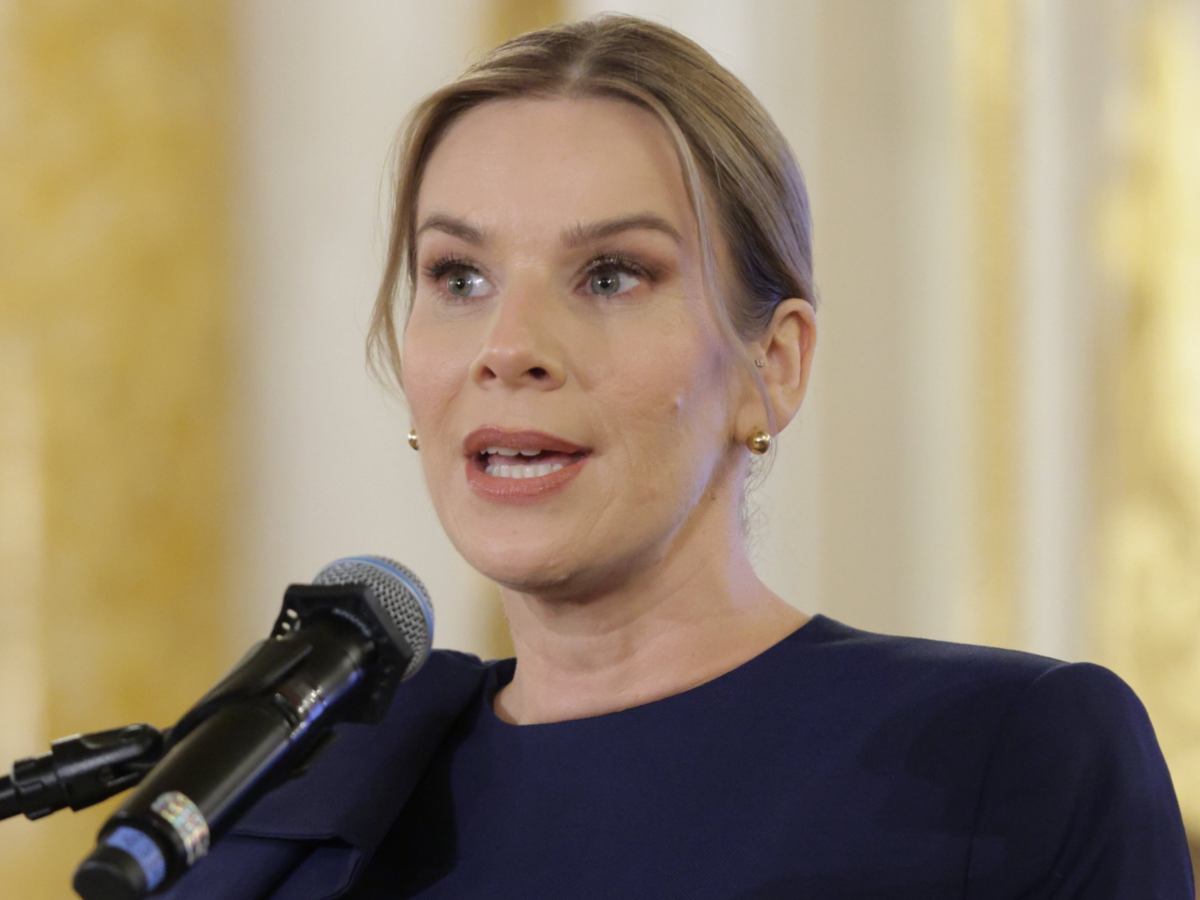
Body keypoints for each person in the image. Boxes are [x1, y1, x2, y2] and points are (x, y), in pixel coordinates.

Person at [162, 14, 1194, 899]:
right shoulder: (295, 803)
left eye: (611, 275)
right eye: (460, 277)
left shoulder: (1007, 755)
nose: (508, 347)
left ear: (772, 365)